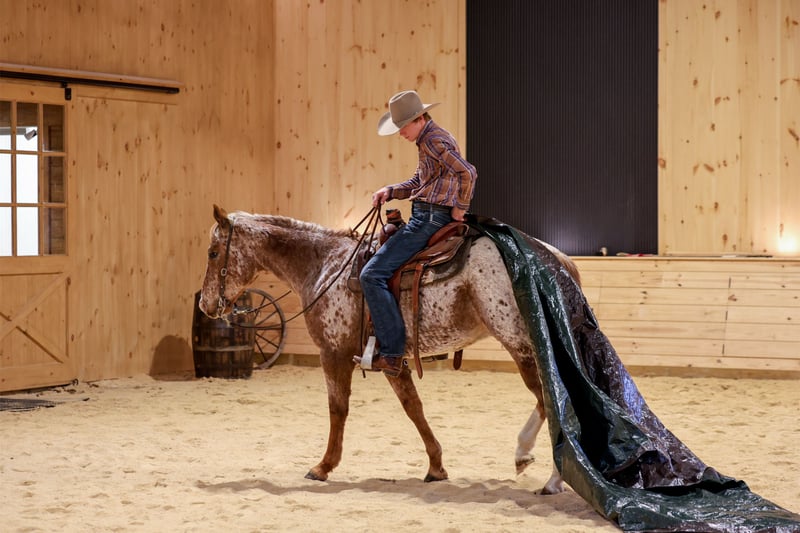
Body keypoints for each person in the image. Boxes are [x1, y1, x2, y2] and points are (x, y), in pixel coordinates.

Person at [353, 90, 477, 377]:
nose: (400, 133)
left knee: (371, 275)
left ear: (418, 119)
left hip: (428, 219)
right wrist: (391, 191)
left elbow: (468, 172)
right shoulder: (430, 138)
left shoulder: (433, 140)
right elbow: (421, 182)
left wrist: (461, 207)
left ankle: (392, 353)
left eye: (403, 126)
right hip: (427, 214)